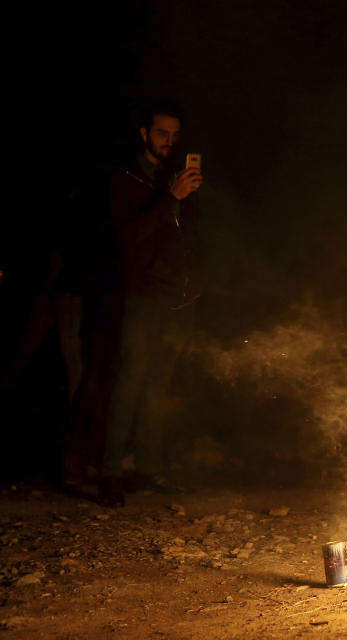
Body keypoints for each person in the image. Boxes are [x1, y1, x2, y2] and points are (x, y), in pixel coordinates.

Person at [98, 100, 203, 507]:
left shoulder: (176, 177)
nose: (169, 142)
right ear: (144, 133)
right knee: (129, 384)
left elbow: (189, 237)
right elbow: (128, 238)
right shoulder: (125, 179)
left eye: (175, 136)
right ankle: (110, 474)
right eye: (162, 133)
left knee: (159, 387)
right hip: (141, 296)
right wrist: (170, 197)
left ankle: (149, 468)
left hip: (177, 298)